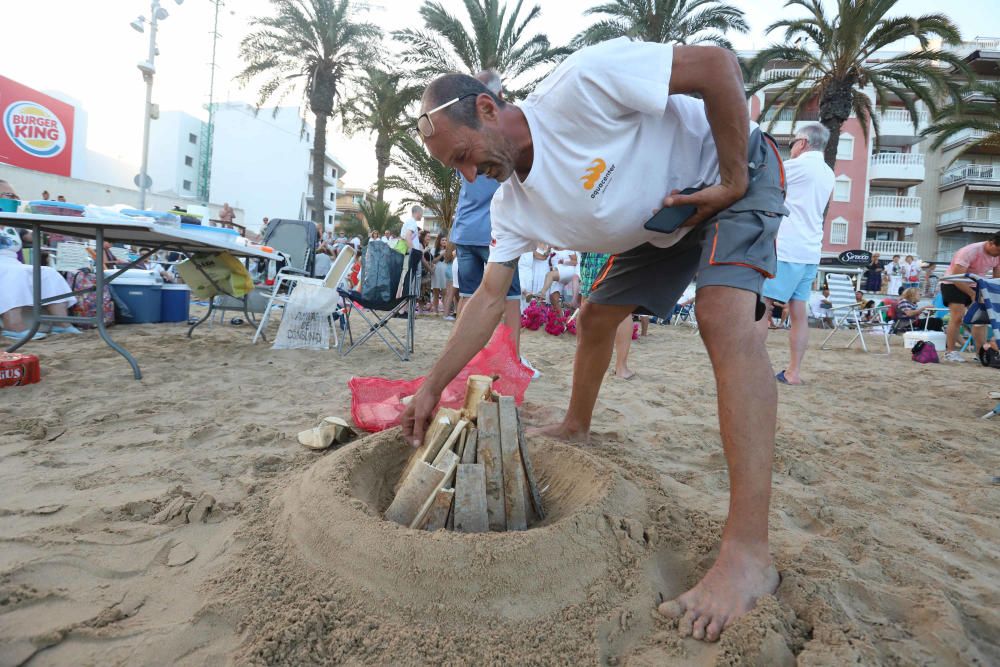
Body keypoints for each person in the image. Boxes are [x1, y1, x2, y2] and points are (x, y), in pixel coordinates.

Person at [403, 39, 788, 641]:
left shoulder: (579, 86)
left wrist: (734, 179)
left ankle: (747, 555)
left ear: (485, 109)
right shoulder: (511, 208)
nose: (470, 175)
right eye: (455, 169)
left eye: (465, 156)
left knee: (722, 320)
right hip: (659, 222)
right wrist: (431, 387)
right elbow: (485, 301)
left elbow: (717, 67)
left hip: (731, 170)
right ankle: (578, 423)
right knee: (595, 317)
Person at [447, 69, 529, 372]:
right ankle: (512, 360)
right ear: (499, 96)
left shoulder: (460, 134)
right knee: (510, 298)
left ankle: (462, 361)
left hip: (466, 230)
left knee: (467, 298)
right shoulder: (501, 136)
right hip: (496, 233)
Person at [758, 123, 835, 385]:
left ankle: (751, 366)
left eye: (792, 143)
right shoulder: (828, 172)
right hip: (811, 250)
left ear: (802, 142)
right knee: (799, 311)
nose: (790, 148)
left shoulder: (801, 166)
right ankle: (793, 372)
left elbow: (764, 174)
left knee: (763, 306)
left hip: (788, 247)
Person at [0, 180, 79, 338]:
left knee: (48, 273)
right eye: (9, 195)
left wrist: (46, 225)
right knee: (13, 273)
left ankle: (62, 323)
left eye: (16, 196)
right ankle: (13, 325)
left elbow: (34, 236)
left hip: (13, 263)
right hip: (6, 267)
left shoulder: (13, 224)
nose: (14, 199)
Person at [940, 234, 1000, 362]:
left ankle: (980, 353)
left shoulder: (998, 254)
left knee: (981, 319)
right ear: (991, 243)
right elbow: (957, 277)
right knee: (957, 316)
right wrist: (972, 295)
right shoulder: (969, 251)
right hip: (953, 282)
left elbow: (997, 277)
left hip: (976, 283)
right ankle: (950, 351)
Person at [579, 252, 635, 379]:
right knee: (623, 306)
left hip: (592, 248)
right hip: (613, 250)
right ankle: (621, 368)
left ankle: (587, 362)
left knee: (588, 302)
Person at [430, 235, 449, 315]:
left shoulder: (449, 250)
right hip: (436, 271)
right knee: (436, 292)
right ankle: (435, 310)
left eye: (445, 240)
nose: (444, 242)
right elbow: (433, 261)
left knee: (445, 292)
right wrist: (441, 254)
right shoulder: (434, 250)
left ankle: (445, 311)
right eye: (442, 240)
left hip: (446, 271)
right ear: (439, 241)